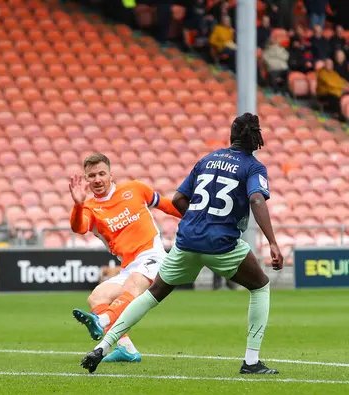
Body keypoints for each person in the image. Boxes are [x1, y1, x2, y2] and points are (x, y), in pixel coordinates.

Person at [80, 113, 284, 375]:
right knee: (260, 286)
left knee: (152, 295)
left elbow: (178, 200)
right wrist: (272, 241)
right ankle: (252, 362)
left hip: (186, 240)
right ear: (257, 139)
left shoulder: (207, 160)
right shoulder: (253, 167)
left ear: (231, 136)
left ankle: (103, 347)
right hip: (221, 243)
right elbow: (256, 200)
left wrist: (198, 221)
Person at [69, 153, 182, 363]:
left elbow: (168, 206)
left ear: (111, 175)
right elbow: (79, 228)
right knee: (97, 297)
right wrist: (77, 205)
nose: (97, 179)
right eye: (91, 176)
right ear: (86, 180)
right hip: (129, 265)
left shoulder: (135, 189)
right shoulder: (90, 208)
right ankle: (126, 349)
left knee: (132, 286)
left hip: (152, 255)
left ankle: (101, 321)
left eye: (102, 173)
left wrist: (200, 219)